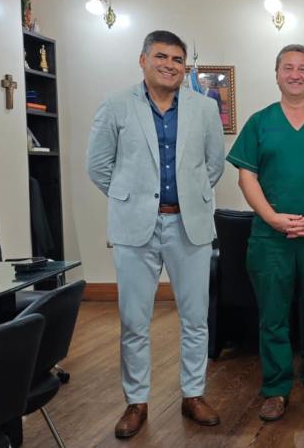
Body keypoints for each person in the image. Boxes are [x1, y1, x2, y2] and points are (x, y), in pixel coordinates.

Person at [87, 30, 224, 438]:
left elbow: (213, 165)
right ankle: (137, 401)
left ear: (185, 67)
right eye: (161, 56)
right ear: (143, 60)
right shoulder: (116, 105)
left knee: (196, 318)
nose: (169, 65)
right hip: (135, 229)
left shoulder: (204, 108)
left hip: (189, 225)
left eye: (177, 59)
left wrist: (190, 198)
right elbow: (98, 166)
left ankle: (193, 395)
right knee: (134, 320)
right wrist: (132, 200)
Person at [226, 44, 304, 422]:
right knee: (273, 316)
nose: (295, 74)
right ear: (277, 74)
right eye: (288, 67)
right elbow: (246, 176)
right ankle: (276, 389)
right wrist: (272, 218)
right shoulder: (260, 122)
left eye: (303, 68)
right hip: (271, 239)